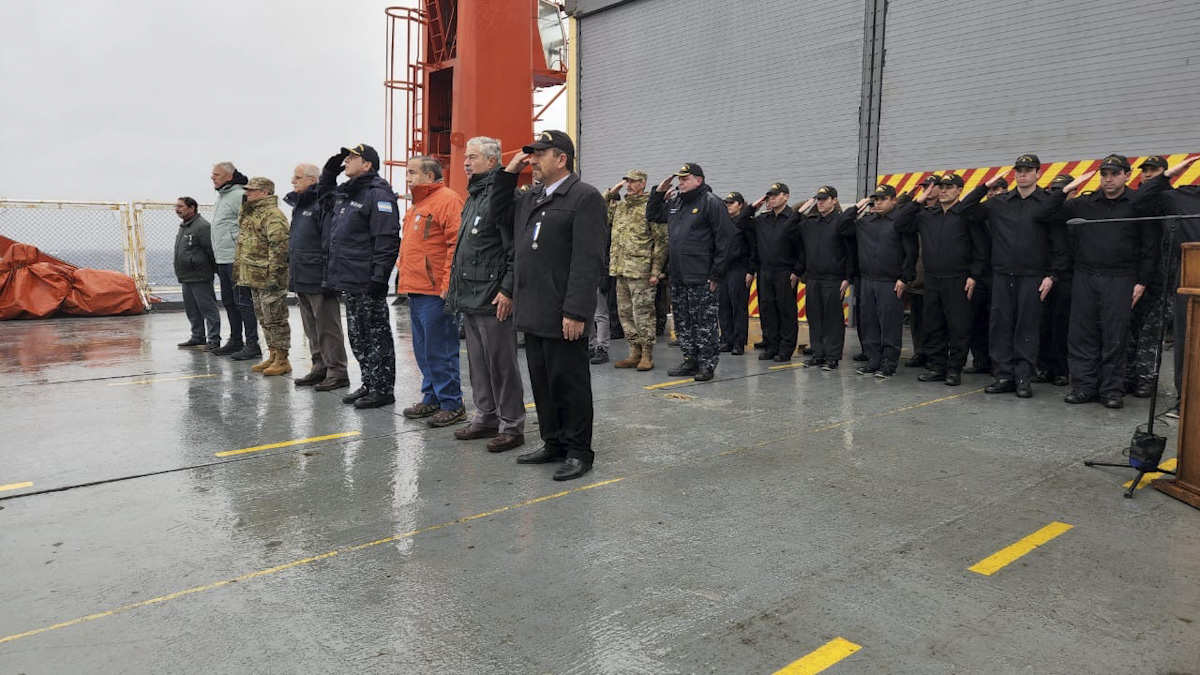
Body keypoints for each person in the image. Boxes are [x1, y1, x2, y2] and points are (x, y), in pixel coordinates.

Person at [491, 130, 607, 481]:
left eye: (541, 154)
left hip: (562, 311)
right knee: (542, 382)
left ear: (562, 160)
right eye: (532, 154)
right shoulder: (533, 196)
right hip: (535, 308)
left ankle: (578, 450)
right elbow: (499, 213)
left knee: (569, 382)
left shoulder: (584, 197)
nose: (533, 160)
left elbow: (588, 260)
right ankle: (553, 442)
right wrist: (508, 173)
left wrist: (576, 311)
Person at [1051, 155, 1161, 408]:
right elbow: (1047, 213)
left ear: (1127, 175)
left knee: (1115, 337)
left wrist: (1142, 281)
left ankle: (1112, 390)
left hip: (1121, 277)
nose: (1108, 179)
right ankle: (1084, 387)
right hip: (1086, 275)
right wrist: (1066, 190)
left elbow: (1150, 246)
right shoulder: (1086, 203)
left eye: (1114, 174)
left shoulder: (1138, 203)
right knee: (1082, 335)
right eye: (1104, 174)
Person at [959, 154, 1066, 398]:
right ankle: (1004, 375)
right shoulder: (1000, 202)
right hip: (1001, 275)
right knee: (1001, 326)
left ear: (1038, 173)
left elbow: (1058, 244)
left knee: (1027, 327)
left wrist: (1052, 275)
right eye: (1019, 170)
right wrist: (985, 186)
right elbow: (965, 209)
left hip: (1033, 276)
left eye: (1028, 170)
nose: (1022, 174)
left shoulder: (1046, 203)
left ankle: (1024, 378)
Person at [445, 136, 526, 452]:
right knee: (478, 362)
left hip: (493, 298)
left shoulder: (503, 198)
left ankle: (512, 425)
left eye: (473, 157)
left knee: (502, 364)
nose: (466, 162)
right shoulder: (473, 197)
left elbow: (514, 251)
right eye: (466, 157)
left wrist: (507, 290)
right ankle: (487, 416)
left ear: (493, 162)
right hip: (470, 296)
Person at [325, 144, 402, 409]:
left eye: (352, 158)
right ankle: (369, 382)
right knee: (358, 336)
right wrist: (328, 172)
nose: (346, 161)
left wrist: (380, 278)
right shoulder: (348, 193)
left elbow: (387, 238)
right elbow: (323, 199)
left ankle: (382, 388)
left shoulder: (378, 194)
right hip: (350, 278)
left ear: (367, 164)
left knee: (376, 336)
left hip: (367, 280)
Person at [894, 174, 989, 386]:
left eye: (949, 187)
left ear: (959, 190)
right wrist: (918, 200)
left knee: (958, 326)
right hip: (933, 279)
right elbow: (900, 224)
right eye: (941, 187)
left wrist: (975, 275)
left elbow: (981, 249)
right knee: (933, 324)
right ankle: (937, 367)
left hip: (959, 279)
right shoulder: (927, 215)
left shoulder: (966, 215)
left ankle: (954, 369)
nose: (944, 190)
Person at [394, 155, 466, 425]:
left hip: (436, 291)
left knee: (441, 348)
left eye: (413, 172)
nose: (408, 177)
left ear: (429, 176)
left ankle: (452, 402)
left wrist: (448, 284)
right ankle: (432, 397)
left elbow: (455, 246)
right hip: (416, 289)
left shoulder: (447, 200)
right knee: (424, 349)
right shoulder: (418, 204)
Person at [646, 163, 735, 381]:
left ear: (699, 180)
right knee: (683, 322)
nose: (681, 183)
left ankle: (706, 364)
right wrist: (658, 192)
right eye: (679, 179)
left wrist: (716, 274)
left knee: (704, 323)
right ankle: (690, 360)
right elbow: (653, 214)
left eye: (686, 179)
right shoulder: (676, 202)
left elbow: (726, 240)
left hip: (702, 276)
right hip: (679, 276)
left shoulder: (711, 203)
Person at [1138, 155, 1200, 417]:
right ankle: (1184, 398)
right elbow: (1139, 200)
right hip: (1189, 274)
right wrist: (1166, 175)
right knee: (1187, 342)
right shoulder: (1178, 196)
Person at [837, 184, 917, 378]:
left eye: (883, 199)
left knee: (889, 324)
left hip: (890, 281)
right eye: (876, 200)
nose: (878, 203)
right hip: (867, 280)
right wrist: (858, 206)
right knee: (869, 323)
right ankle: (873, 361)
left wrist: (904, 278)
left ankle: (888, 364)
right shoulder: (866, 222)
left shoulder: (900, 222)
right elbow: (842, 226)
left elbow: (911, 252)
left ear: (893, 200)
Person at [284, 163, 349, 391]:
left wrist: (328, 276)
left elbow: (328, 243)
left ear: (312, 180)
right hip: (302, 275)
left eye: (298, 177)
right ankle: (319, 367)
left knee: (327, 327)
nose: (293, 181)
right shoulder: (300, 206)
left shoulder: (322, 203)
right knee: (311, 327)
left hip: (318, 276)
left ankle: (337, 371)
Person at [603, 169, 667, 370]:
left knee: (644, 313)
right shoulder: (621, 207)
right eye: (627, 182)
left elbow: (661, 242)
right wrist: (610, 194)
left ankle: (647, 354)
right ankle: (634, 352)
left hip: (642, 271)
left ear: (643, 184)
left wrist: (656, 271)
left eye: (633, 182)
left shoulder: (651, 208)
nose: (628, 185)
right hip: (621, 269)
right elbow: (599, 214)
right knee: (625, 313)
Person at [1123, 156, 1171, 397]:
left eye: (1155, 170)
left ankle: (1147, 379)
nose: (1149, 174)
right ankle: (1130, 375)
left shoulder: (1169, 198)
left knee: (1151, 332)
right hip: (1136, 273)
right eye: (1146, 170)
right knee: (1131, 329)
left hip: (1162, 278)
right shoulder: (1138, 200)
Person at [234, 177, 292, 376]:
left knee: (276, 318)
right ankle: (273, 354)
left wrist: (275, 275)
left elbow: (280, 247)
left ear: (265, 192)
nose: (247, 193)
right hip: (254, 276)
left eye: (252, 190)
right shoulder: (251, 213)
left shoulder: (273, 215)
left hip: (269, 277)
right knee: (263, 317)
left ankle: (282, 358)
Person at [795, 186, 852, 370]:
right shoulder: (811, 223)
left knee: (833, 319)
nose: (820, 203)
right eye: (818, 199)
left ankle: (832, 356)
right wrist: (803, 209)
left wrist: (848, 277)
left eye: (824, 199)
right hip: (813, 278)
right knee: (815, 317)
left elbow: (851, 251)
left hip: (834, 278)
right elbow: (791, 229)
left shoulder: (841, 222)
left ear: (834, 200)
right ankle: (818, 353)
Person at [209, 162, 260, 359]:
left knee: (242, 302)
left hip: (236, 258)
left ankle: (252, 343)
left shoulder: (239, 195)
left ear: (229, 177)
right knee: (229, 301)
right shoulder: (222, 197)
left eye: (216, 174)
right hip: (222, 258)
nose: (212, 177)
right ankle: (236, 340)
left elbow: (250, 226)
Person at [747, 182, 803, 362]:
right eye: (769, 195)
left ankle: (786, 348)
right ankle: (771, 346)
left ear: (786, 196)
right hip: (765, 271)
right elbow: (741, 223)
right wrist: (753, 207)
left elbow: (802, 248)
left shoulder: (793, 219)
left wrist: (797, 270)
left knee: (785, 311)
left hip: (785, 271)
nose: (771, 198)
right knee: (767, 310)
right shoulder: (762, 220)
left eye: (775, 195)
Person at [1035, 174, 1076, 387]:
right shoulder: (1048, 217)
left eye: (1063, 190)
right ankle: (1044, 368)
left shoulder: (1077, 214)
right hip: (1045, 276)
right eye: (1054, 191)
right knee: (1043, 324)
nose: (1058, 194)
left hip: (1068, 277)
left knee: (1062, 326)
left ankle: (1061, 370)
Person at [904, 175, 942, 369]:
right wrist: (910, 198)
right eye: (925, 187)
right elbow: (900, 219)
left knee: (936, 322)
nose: (927, 190)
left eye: (931, 186)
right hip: (917, 277)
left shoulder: (945, 211)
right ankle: (920, 352)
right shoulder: (917, 212)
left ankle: (935, 356)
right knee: (917, 321)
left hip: (938, 277)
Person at [173, 197, 220, 350]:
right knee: (192, 309)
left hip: (200, 275)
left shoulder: (202, 227)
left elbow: (211, 250)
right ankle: (198, 336)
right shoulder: (184, 227)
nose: (177, 209)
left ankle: (214, 339)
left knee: (207, 308)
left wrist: (212, 270)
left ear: (191, 208)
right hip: (186, 275)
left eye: (181, 206)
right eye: (176, 206)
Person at [720, 191, 755, 356]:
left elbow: (754, 248)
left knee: (738, 306)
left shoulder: (747, 224)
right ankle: (726, 339)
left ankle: (739, 342)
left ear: (740, 205)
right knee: (724, 306)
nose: (728, 205)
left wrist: (750, 270)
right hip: (724, 269)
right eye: (726, 203)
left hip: (740, 268)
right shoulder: (723, 222)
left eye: (731, 203)